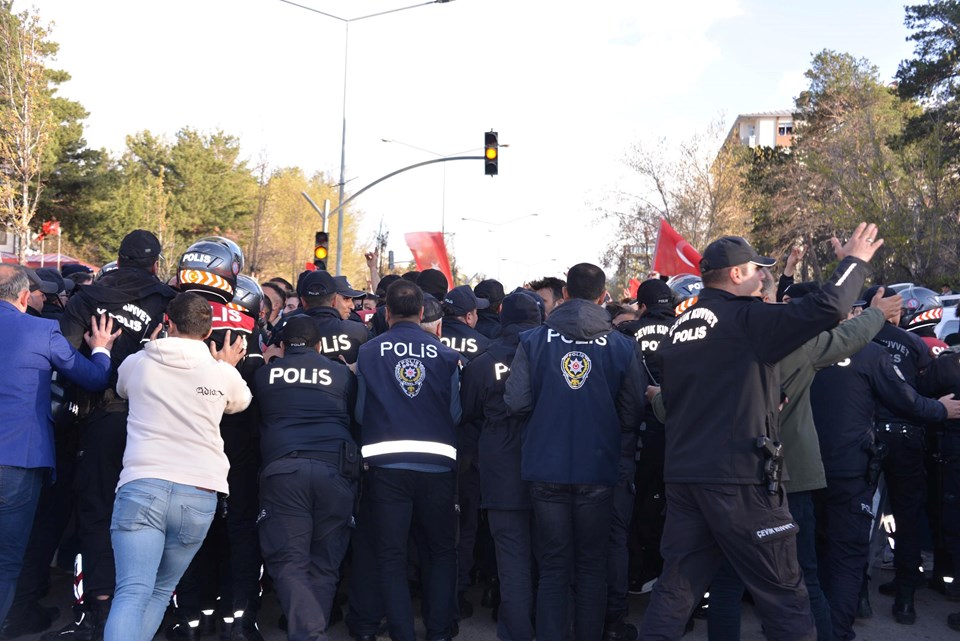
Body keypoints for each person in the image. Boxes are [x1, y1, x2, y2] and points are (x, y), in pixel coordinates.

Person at [637, 224, 883, 641]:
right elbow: (827, 308)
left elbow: (692, 396)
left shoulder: (683, 327)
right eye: (757, 269)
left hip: (686, 478)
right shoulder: (748, 318)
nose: (764, 277)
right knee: (785, 594)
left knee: (676, 590)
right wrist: (853, 263)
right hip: (741, 481)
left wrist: (765, 397)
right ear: (735, 274)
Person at [505, 262, 647, 641]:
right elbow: (633, 410)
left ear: (565, 295)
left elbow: (516, 402)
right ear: (603, 297)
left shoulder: (533, 341)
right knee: (590, 566)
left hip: (545, 467)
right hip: (598, 469)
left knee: (553, 566)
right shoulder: (620, 345)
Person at [47, 229, 177, 641]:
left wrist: (98, 358)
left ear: (118, 260)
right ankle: (146, 612)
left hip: (101, 418)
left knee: (98, 513)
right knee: (152, 519)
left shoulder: (88, 298)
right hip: (152, 423)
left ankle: (100, 610)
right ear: (156, 264)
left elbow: (63, 355)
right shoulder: (167, 303)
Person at [102, 292, 250, 641]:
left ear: (167, 322)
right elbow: (241, 402)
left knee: (132, 592)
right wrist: (226, 367)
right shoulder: (221, 374)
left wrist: (149, 348)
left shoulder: (138, 363)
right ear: (209, 330)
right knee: (158, 590)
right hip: (198, 494)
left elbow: (122, 388)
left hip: (142, 486)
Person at [810, 304, 960, 641]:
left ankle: (832, 613)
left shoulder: (806, 347)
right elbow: (910, 396)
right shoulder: (875, 351)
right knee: (855, 545)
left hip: (813, 464)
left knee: (816, 550)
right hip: (861, 460)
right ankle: (882, 606)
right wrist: (941, 410)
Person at [0, 265, 119, 627]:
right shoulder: (40, 330)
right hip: (18, 459)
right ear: (24, 297)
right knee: (7, 557)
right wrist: (100, 349)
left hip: (19, 458)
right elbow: (95, 378)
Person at [355, 279, 462, 641]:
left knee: (390, 555)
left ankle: (402, 633)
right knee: (441, 551)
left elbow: (359, 412)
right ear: (422, 313)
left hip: (385, 466)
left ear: (386, 313)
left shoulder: (369, 352)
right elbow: (456, 413)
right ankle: (439, 631)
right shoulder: (447, 356)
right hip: (438, 466)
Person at [252, 315, 359, 641]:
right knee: (325, 565)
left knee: (289, 563)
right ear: (318, 345)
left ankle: (310, 634)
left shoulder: (264, 375)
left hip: (285, 472)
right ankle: (313, 632)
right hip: (336, 472)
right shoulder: (341, 374)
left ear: (282, 346)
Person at [461, 290, 545, 641]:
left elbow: (466, 412)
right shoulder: (553, 354)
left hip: (501, 470)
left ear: (502, 316)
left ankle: (517, 632)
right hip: (547, 466)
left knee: (512, 561)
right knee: (550, 559)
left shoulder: (483, 360)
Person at [269, 271, 369, 364]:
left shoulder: (285, 330)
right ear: (334, 300)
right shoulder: (359, 332)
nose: (352, 306)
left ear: (303, 301)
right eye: (346, 299)